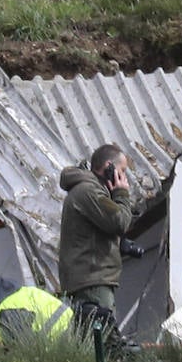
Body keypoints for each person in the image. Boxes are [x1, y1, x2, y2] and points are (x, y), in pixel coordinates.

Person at [58, 143, 135, 337]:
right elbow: (120, 222)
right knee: (102, 341)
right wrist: (121, 193)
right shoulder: (88, 192)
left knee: (97, 339)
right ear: (109, 166)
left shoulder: (89, 190)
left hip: (92, 279)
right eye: (122, 171)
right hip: (92, 281)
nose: (124, 178)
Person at [0, 275, 74, 345]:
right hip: (72, 332)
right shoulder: (22, 293)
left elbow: (11, 341)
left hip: (61, 343)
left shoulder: (8, 307)